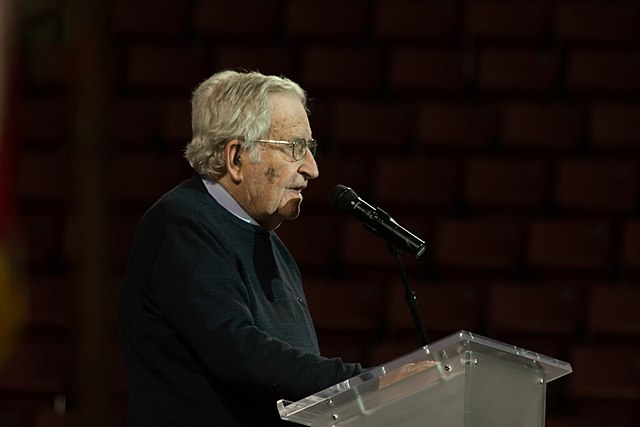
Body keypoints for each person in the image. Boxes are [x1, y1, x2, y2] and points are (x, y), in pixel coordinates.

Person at [118, 70, 366, 426]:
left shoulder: (270, 244)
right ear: (236, 157)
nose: (312, 169)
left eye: (310, 149)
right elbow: (238, 351)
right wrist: (361, 384)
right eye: (295, 148)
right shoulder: (183, 226)